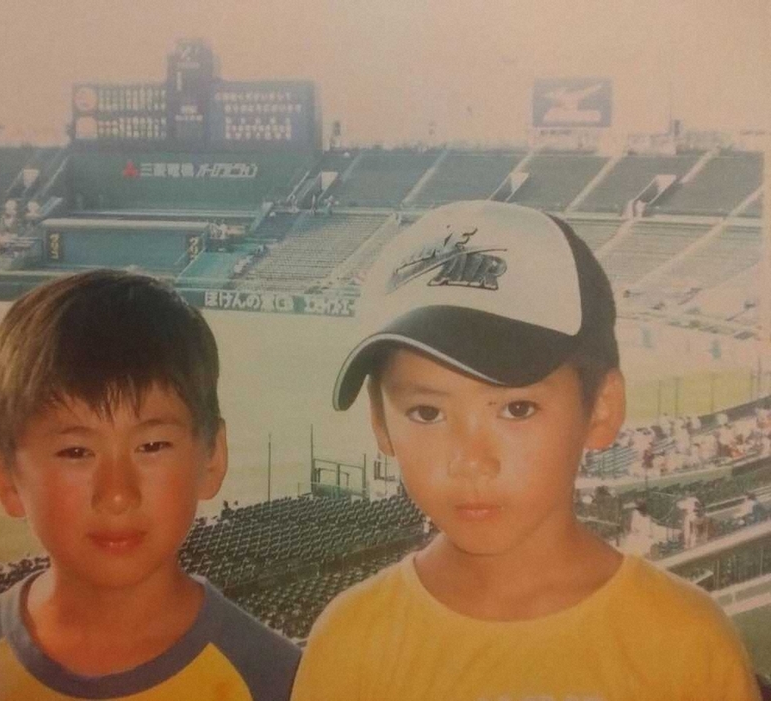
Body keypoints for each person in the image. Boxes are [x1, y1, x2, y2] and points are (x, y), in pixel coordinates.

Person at [291, 201, 760, 701]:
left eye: (516, 409)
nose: (470, 460)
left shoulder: (685, 643)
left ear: (601, 408)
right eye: (427, 413)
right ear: (380, 424)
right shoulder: (353, 640)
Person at [0, 270, 300, 701]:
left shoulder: (274, 678)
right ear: (6, 476)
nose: (117, 493)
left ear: (212, 458)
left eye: (152, 445)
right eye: (76, 452)